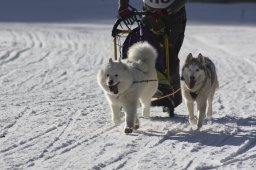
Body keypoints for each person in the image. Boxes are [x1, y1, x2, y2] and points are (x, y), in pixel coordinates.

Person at [118, 0, 187, 117]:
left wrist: (167, 11)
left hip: (174, 18)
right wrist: (123, 7)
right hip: (149, 14)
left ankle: (170, 95)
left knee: (169, 56)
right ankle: (139, 86)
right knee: (145, 49)